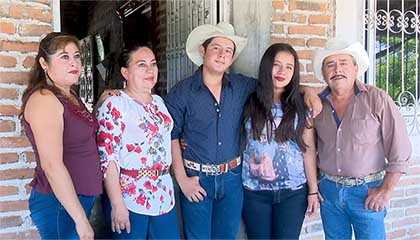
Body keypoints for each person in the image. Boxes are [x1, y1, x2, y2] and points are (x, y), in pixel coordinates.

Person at [312, 38, 411, 239]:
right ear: (324, 74)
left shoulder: (377, 99)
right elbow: (310, 150)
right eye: (330, 64)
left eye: (344, 63)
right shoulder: (317, 106)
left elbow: (400, 150)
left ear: (356, 69)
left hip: (367, 193)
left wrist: (385, 190)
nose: (337, 69)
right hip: (329, 194)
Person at [164, 22, 254, 239]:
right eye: (216, 48)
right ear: (203, 51)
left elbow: (277, 89)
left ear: (232, 58)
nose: (222, 55)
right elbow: (170, 135)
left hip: (232, 178)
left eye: (228, 51)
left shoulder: (242, 86)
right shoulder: (182, 92)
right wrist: (182, 179)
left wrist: (307, 92)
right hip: (196, 178)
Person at [20, 32, 103, 239]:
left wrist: (99, 103)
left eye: (76, 56)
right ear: (44, 63)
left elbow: (76, 132)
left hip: (77, 199)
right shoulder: (44, 99)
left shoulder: (68, 94)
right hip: (59, 203)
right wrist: (81, 221)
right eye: (64, 57)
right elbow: (52, 165)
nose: (73, 62)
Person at [96, 44, 180, 239]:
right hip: (130, 196)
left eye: (153, 64)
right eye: (141, 64)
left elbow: (163, 139)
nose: (150, 70)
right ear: (125, 72)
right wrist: (117, 204)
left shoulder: (159, 102)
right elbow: (108, 157)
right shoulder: (115, 104)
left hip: (164, 194)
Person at [241, 43, 320, 239]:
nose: (282, 71)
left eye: (289, 67)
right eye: (276, 64)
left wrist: (313, 190)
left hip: (293, 194)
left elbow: (308, 150)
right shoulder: (247, 99)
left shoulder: (301, 105)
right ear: (267, 66)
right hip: (254, 193)